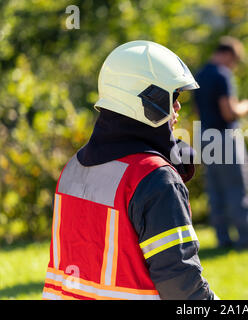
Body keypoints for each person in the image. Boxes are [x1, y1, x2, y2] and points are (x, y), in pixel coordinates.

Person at [42, 41, 218, 300]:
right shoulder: (155, 178)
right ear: (149, 100)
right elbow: (180, 284)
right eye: (174, 96)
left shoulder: (73, 168)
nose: (178, 107)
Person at [194, 37, 248, 250]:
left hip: (205, 136)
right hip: (224, 136)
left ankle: (223, 239)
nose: (233, 66)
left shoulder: (200, 74)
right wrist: (246, 106)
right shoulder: (222, 75)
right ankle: (246, 239)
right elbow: (229, 111)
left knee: (216, 190)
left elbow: (197, 111)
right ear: (228, 55)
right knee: (237, 187)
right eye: (234, 61)